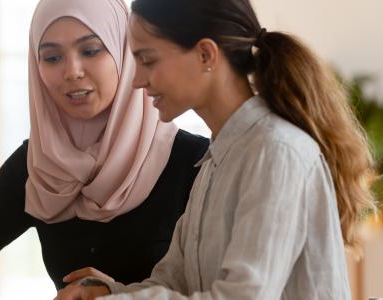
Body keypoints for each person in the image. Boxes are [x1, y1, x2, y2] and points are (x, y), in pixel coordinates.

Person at [55, 0, 378, 298]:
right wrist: (110, 293)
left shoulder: (276, 152)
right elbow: (174, 283)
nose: (137, 80)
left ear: (206, 55)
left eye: (148, 60)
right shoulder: (216, 160)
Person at [0, 0, 209, 290]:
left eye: (90, 51)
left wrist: (119, 295)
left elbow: (220, 290)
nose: (72, 72)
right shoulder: (40, 161)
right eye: (52, 58)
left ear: (126, 53)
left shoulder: (196, 161)